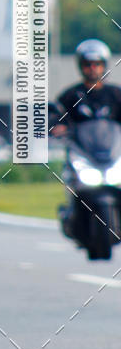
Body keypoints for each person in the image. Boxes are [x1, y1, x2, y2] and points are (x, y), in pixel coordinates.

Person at [51, 39, 121, 234]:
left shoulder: (116, 95)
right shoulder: (71, 96)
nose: (93, 69)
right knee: (73, 179)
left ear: (104, 65)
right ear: (80, 66)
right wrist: (56, 126)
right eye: (88, 64)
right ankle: (72, 214)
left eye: (97, 64)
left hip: (111, 153)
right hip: (83, 155)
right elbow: (55, 115)